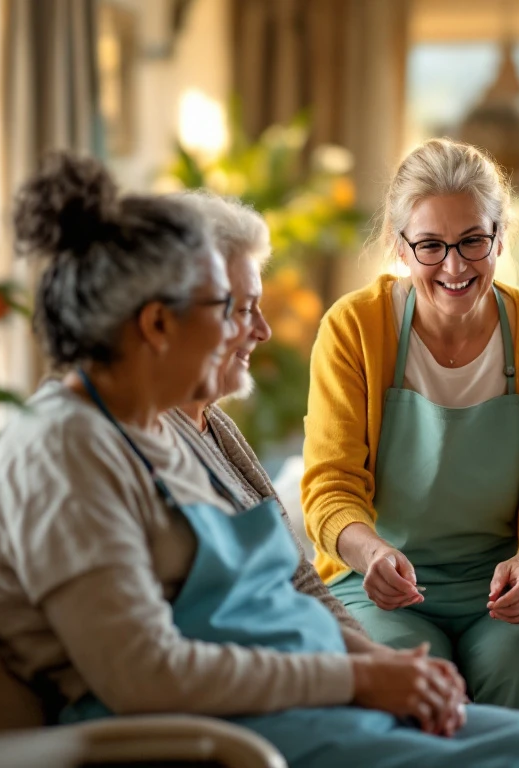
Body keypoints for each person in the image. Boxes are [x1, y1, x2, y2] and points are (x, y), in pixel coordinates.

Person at [0, 153, 519, 767]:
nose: (262, 332)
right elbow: (144, 674)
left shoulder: (176, 427)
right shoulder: (65, 452)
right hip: (232, 727)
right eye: (235, 308)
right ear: (158, 325)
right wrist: (356, 675)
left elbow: (292, 583)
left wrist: (370, 670)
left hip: (298, 699)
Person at [302, 138, 519, 711]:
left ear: (500, 237)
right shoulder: (354, 329)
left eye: (472, 242)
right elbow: (329, 488)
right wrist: (370, 555)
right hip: (379, 591)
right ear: (398, 245)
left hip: (509, 592)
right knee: (403, 679)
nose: (455, 266)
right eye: (431, 246)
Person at [162, 190, 375, 645]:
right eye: (242, 310)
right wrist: (368, 679)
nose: (263, 330)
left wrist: (388, 664)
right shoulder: (142, 443)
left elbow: (305, 583)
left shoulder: (218, 427)